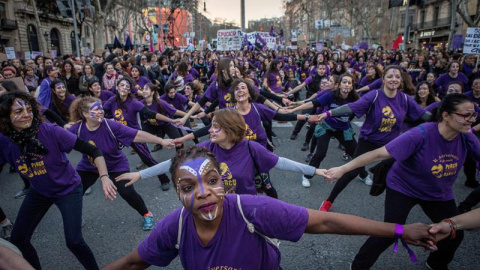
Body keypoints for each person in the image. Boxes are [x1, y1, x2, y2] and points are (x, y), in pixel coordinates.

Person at [104, 146, 436, 270]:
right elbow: (135, 261)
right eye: (189, 187)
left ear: (223, 181)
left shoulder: (255, 209)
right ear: (177, 194)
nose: (204, 193)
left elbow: (327, 223)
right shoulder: (173, 228)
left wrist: (401, 230)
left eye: (212, 180)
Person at [325, 94, 480, 270]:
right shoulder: (420, 134)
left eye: (473, 115)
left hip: (438, 193)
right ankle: (358, 266)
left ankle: (436, 263)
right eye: (465, 115)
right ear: (446, 115)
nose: (471, 120)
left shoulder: (466, 136)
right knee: (390, 231)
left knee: (455, 234)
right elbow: (378, 154)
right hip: (403, 188)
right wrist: (342, 169)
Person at [0, 91, 116, 270]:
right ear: (5, 117)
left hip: (68, 189)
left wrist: (105, 177)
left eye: (29, 109)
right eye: (18, 111)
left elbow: (93, 151)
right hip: (39, 191)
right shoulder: (4, 141)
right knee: (18, 240)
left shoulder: (49, 131)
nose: (26, 115)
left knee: (74, 241)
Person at [313, 66, 431, 212]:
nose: (393, 79)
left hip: (390, 144)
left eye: (397, 77)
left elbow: (424, 115)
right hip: (369, 141)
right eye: (389, 76)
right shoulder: (374, 96)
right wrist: (329, 113)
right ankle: (328, 201)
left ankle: (391, 193)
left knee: (403, 171)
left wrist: (446, 120)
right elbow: (351, 107)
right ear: (383, 79)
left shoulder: (405, 99)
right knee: (352, 172)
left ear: (401, 80)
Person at [68, 96, 174, 230]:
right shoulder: (77, 129)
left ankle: (146, 214)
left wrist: (161, 141)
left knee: (127, 191)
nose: (101, 111)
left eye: (101, 108)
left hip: (115, 165)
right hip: (89, 166)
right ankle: (76, 216)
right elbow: (59, 139)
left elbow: (137, 134)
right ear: (85, 114)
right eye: (96, 109)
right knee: (75, 190)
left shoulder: (110, 125)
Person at [287, 74, 369, 191]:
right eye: (344, 82)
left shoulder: (355, 98)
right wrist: (294, 109)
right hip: (327, 126)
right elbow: (313, 103)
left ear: (352, 86)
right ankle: (307, 175)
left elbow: (367, 109)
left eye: (349, 83)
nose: (346, 84)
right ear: (339, 84)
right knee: (320, 153)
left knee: (355, 153)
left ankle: (363, 174)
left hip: (343, 128)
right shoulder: (331, 95)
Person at [103, 77, 180, 191]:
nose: (124, 88)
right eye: (122, 85)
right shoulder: (112, 100)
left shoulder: (134, 103)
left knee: (147, 159)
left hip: (134, 135)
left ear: (130, 91)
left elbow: (151, 114)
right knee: (105, 152)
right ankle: (108, 177)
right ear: (117, 87)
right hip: (117, 134)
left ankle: (164, 179)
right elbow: (102, 112)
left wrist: (171, 120)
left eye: (127, 87)